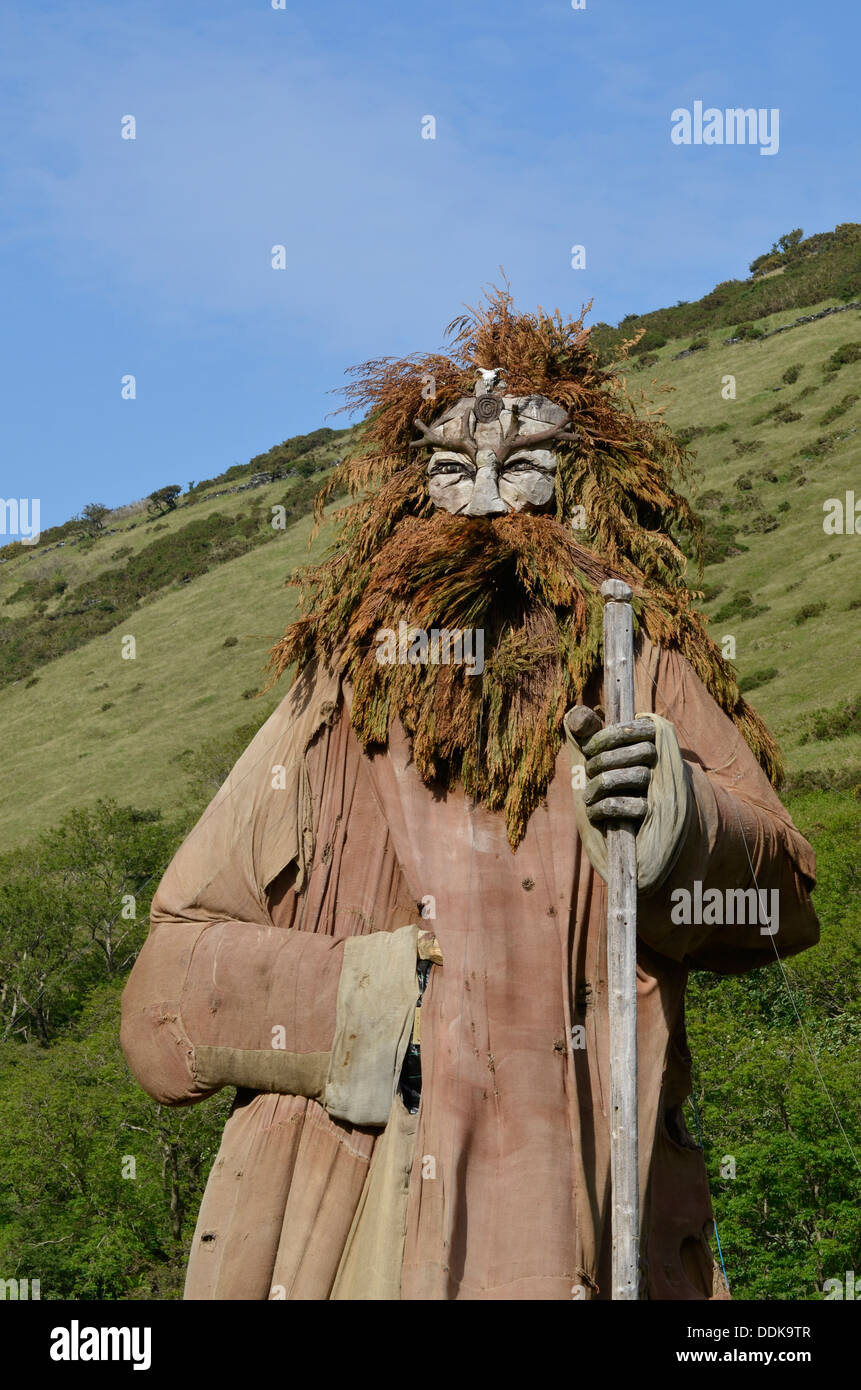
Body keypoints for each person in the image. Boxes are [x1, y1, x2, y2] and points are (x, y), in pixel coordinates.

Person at [121, 292, 819, 1300]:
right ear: (411, 496)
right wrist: (373, 998)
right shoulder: (339, 698)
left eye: (524, 463)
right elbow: (166, 990)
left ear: (585, 486)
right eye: (453, 468)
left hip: (601, 1214)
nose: (489, 502)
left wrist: (683, 821)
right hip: (367, 1232)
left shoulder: (641, 667)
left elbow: (782, 902)